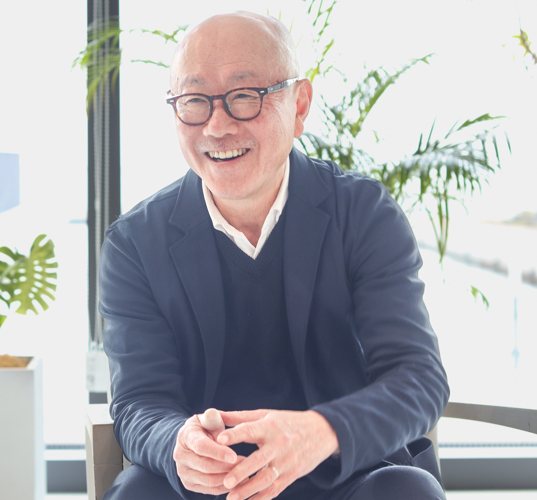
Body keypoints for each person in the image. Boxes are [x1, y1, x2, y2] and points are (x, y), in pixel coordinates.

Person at [98, 11, 449, 500]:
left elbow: (418, 378)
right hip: (205, 488)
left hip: (346, 476)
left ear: (299, 105)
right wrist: (176, 443)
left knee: (407, 491)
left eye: (244, 96)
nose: (217, 126)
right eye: (195, 101)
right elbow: (139, 401)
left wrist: (319, 432)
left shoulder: (363, 214)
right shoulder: (134, 243)